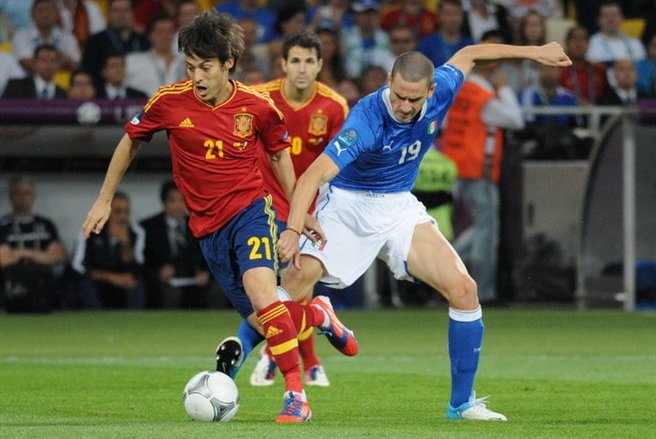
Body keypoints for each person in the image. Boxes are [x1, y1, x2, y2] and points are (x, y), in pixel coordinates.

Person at [81, 11, 357, 423]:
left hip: (250, 211)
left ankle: (297, 398)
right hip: (206, 230)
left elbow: (280, 156)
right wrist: (104, 199)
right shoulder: (168, 101)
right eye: (190, 67)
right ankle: (318, 314)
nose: (197, 77)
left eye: (205, 67)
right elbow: (130, 142)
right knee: (267, 322)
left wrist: (301, 214)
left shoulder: (256, 107)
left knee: (264, 295)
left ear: (228, 62)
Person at [275, 42, 571, 421]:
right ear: (388, 83)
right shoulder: (366, 118)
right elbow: (313, 175)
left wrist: (533, 52)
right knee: (290, 286)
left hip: (398, 205)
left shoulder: (443, 87)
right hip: (349, 204)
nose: (404, 106)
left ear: (431, 91)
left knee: (464, 290)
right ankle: (235, 371)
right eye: (398, 95)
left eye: (413, 99)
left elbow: (471, 52)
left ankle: (461, 405)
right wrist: (293, 228)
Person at [243, 31, 349, 388]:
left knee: (294, 281)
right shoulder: (260, 99)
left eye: (309, 61)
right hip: (264, 206)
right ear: (283, 64)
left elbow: (339, 165)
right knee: (271, 288)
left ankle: (274, 355)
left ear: (320, 65)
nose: (302, 68)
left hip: (310, 210)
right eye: (296, 61)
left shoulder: (334, 107)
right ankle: (309, 360)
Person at [442, 38, 525, 305]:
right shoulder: (483, 97)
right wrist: (505, 89)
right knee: (485, 233)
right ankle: (484, 292)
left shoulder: (460, 91)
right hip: (479, 170)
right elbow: (516, 119)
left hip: (458, 167)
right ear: (492, 71)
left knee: (478, 230)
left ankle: (440, 263)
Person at [139, 180, 215, 309]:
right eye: (173, 201)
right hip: (164, 282)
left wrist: (205, 272)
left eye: (182, 200)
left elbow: (208, 255)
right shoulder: (148, 227)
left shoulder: (198, 224)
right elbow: (144, 261)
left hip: (194, 279)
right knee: (170, 293)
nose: (178, 206)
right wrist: (159, 272)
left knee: (216, 289)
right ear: (164, 202)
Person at [0, 176, 67, 312]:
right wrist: (42, 255)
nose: (23, 198)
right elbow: (4, 259)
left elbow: (59, 256)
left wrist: (22, 253)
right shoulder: (3, 225)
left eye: (27, 193)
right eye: (18, 193)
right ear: (11, 196)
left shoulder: (46, 225)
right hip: (12, 283)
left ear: (33, 196)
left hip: (42, 283)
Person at [73, 191, 146, 309]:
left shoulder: (136, 233)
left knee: (138, 283)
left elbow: (138, 268)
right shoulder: (90, 231)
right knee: (85, 284)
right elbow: (78, 267)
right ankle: (95, 320)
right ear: (107, 213)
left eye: (126, 212)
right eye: (118, 211)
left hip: (122, 283)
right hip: (96, 281)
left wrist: (126, 244)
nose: (123, 217)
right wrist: (110, 277)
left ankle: (134, 320)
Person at [80, 0, 149, 87]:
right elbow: (88, 73)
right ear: (109, 15)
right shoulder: (95, 42)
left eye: (125, 10)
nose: (121, 15)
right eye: (116, 11)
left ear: (132, 13)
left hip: (138, 93)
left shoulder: (144, 41)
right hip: (104, 96)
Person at [124, 14, 185, 96]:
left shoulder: (186, 63)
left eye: (169, 31)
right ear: (150, 35)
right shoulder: (133, 61)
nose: (165, 36)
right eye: (160, 32)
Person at [12, 0, 80, 72]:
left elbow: (75, 64)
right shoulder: (21, 36)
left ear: (56, 14)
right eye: (41, 11)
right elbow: (26, 63)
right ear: (32, 15)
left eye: (49, 11)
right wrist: (61, 60)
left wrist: (45, 64)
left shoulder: (68, 37)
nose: (45, 14)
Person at [418, 0, 474, 69]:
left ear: (462, 16)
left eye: (456, 13)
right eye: (448, 14)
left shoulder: (470, 44)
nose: (452, 18)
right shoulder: (426, 44)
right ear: (439, 16)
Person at [560, 26, 608, 105]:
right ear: (567, 44)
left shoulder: (599, 70)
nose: (578, 44)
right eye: (574, 39)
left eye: (583, 39)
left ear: (588, 44)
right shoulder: (560, 71)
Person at [2, 44, 67, 99]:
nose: (49, 65)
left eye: (53, 61)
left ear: (59, 65)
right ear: (34, 63)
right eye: (44, 60)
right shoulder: (15, 87)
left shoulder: (63, 94)